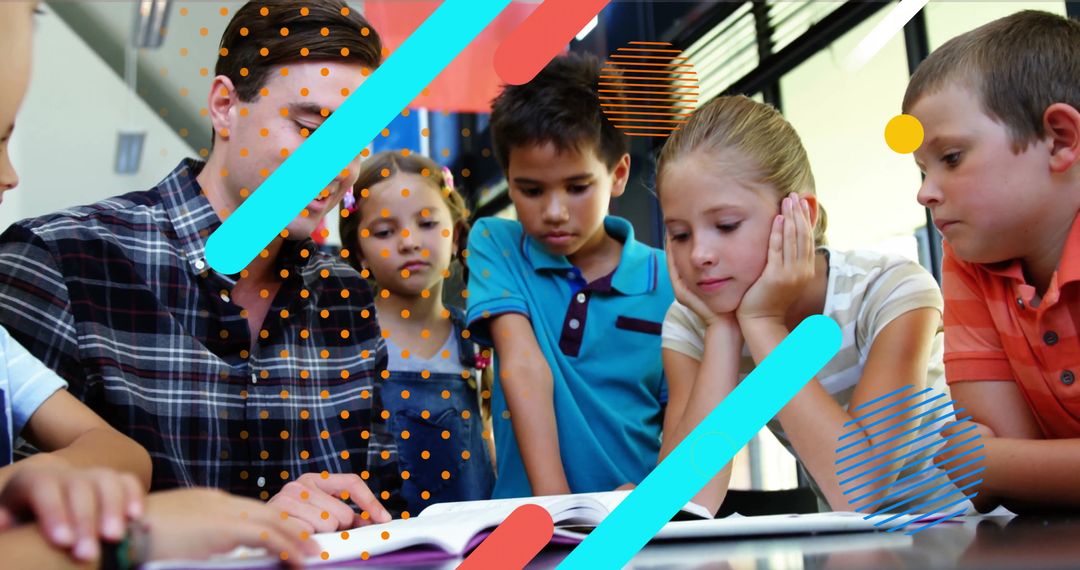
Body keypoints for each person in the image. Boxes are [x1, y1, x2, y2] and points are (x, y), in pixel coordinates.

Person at [0, 0, 396, 532]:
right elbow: (23, 529)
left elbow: (380, 498)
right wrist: (245, 534)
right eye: (310, 127)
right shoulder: (62, 261)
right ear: (225, 106)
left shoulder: (345, 292)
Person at [657, 95, 954, 515]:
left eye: (725, 226)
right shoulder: (696, 323)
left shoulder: (890, 290)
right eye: (680, 234)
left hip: (978, 536)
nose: (699, 254)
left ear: (800, 215)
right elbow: (679, 505)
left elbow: (862, 491)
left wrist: (762, 322)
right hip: (853, 551)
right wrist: (724, 333)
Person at [466, 54, 673, 498]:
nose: (554, 212)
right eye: (531, 190)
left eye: (578, 188)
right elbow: (521, 367)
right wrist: (558, 511)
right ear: (507, 178)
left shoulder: (670, 278)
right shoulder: (496, 244)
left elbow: (687, 410)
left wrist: (655, 500)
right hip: (534, 521)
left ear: (617, 174)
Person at [903, 10, 1080, 513]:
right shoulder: (969, 260)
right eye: (921, 169)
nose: (925, 193)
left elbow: (987, 463)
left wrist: (999, 462)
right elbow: (995, 481)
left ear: (1060, 139)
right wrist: (1003, 465)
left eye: (952, 158)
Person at [338, 150, 494, 515]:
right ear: (360, 251)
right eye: (385, 231)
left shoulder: (479, 338)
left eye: (426, 224)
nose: (408, 241)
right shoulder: (346, 341)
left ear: (455, 236)